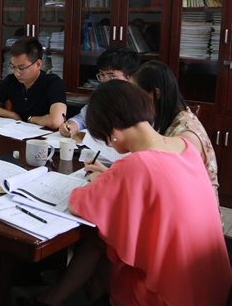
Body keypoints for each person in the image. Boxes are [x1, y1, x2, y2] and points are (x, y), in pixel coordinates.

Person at [30, 80, 231, 306]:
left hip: (170, 296)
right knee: (105, 243)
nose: (108, 145)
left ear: (112, 129)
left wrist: (99, 179)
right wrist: (110, 177)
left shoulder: (136, 164)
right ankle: (56, 299)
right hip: (213, 285)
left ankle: (56, 299)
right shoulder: (184, 145)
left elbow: (77, 204)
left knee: (106, 248)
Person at [129, 60, 220, 207]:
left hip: (194, 210)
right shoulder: (171, 117)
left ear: (155, 94)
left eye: (136, 93)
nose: (133, 100)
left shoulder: (185, 134)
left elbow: (170, 185)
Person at [0, 38, 65, 129]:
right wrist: (12, 115)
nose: (17, 73)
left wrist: (31, 119)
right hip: (19, 132)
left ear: (38, 64)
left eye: (21, 68)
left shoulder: (54, 83)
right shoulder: (12, 80)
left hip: (45, 135)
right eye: (13, 67)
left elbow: (56, 121)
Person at [59, 45, 140, 136]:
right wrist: (71, 126)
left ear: (129, 77)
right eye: (102, 75)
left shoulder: (139, 103)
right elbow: (82, 119)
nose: (105, 80)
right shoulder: (102, 97)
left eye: (111, 76)